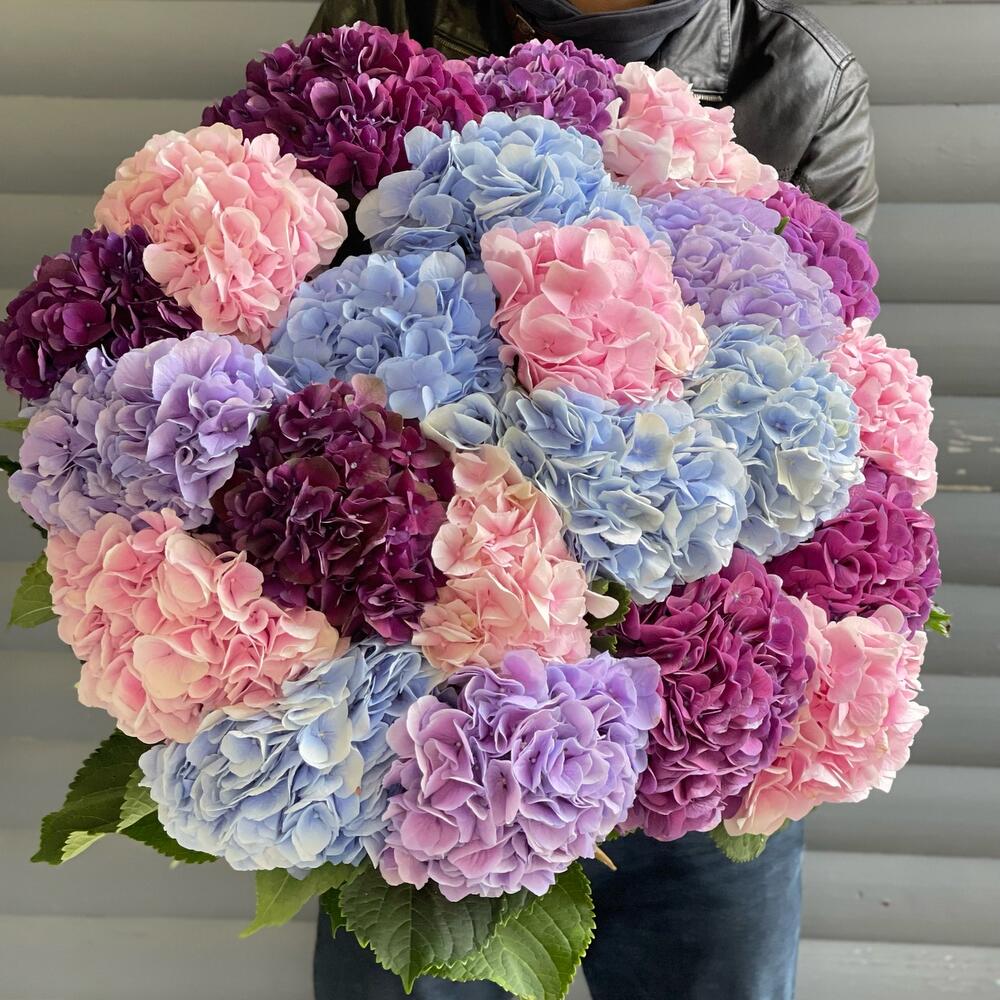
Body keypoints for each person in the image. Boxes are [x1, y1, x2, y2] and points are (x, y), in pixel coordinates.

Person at [308, 2, 878, 997]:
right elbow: (295, 336)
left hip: (698, 707)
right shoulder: (393, 14)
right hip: (432, 713)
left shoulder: (796, 73)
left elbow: (835, 377)